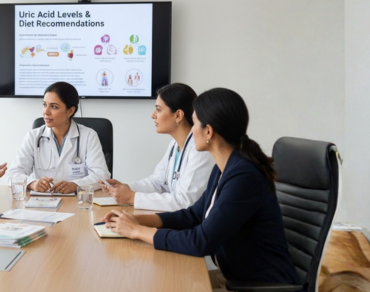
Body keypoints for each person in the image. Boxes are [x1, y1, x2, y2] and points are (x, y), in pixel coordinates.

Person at [101, 88, 301, 290]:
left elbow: (201, 241)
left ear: (208, 131)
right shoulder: (224, 167)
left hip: (259, 285)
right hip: (234, 277)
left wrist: (137, 231)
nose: (191, 129)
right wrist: (138, 220)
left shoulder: (243, 176)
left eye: (195, 122)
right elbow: (194, 215)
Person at [102, 83, 214, 211]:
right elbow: (157, 183)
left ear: (178, 115)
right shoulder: (174, 144)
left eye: (159, 109)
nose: (153, 115)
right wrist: (125, 187)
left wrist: (132, 197)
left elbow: (185, 201)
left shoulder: (199, 150)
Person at [9, 81, 110, 194]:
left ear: (70, 111)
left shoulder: (89, 136)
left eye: (54, 107)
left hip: (77, 202)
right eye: (44, 105)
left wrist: (76, 185)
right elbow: (14, 173)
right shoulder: (33, 136)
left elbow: (102, 175)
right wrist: (32, 184)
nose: (46, 112)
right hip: (42, 202)